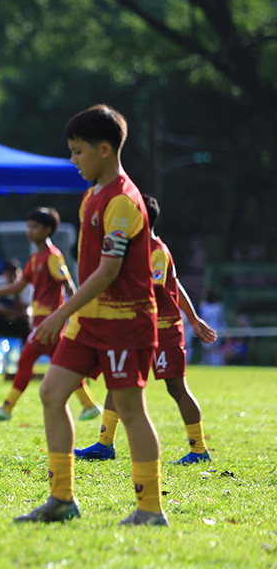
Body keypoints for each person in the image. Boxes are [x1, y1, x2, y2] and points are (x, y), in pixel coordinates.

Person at [14, 105, 165, 526]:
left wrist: (60, 313)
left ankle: (151, 509)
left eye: (78, 151)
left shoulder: (123, 201)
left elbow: (109, 271)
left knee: (130, 410)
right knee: (51, 393)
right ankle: (61, 500)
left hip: (125, 323)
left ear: (104, 150)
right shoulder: (92, 195)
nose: (73, 159)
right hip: (89, 321)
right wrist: (74, 315)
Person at [76, 194, 218, 465]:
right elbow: (176, 284)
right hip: (137, 328)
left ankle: (199, 450)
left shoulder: (155, 251)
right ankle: (105, 444)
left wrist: (193, 320)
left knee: (176, 389)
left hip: (162, 331)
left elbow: (152, 289)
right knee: (118, 379)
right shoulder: (135, 250)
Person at [0, 209, 102, 422]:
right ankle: (89, 405)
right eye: (29, 226)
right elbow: (20, 286)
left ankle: (7, 409)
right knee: (65, 365)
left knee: (26, 361)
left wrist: (74, 312)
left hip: (48, 321)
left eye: (34, 226)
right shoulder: (35, 258)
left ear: (47, 230)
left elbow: (68, 284)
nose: (30, 230)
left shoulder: (52, 256)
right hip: (40, 320)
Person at [198, 288, 225, 366]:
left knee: (209, 349)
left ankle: (214, 364)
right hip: (215, 329)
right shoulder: (218, 307)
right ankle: (213, 363)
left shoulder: (204, 306)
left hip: (208, 329)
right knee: (213, 349)